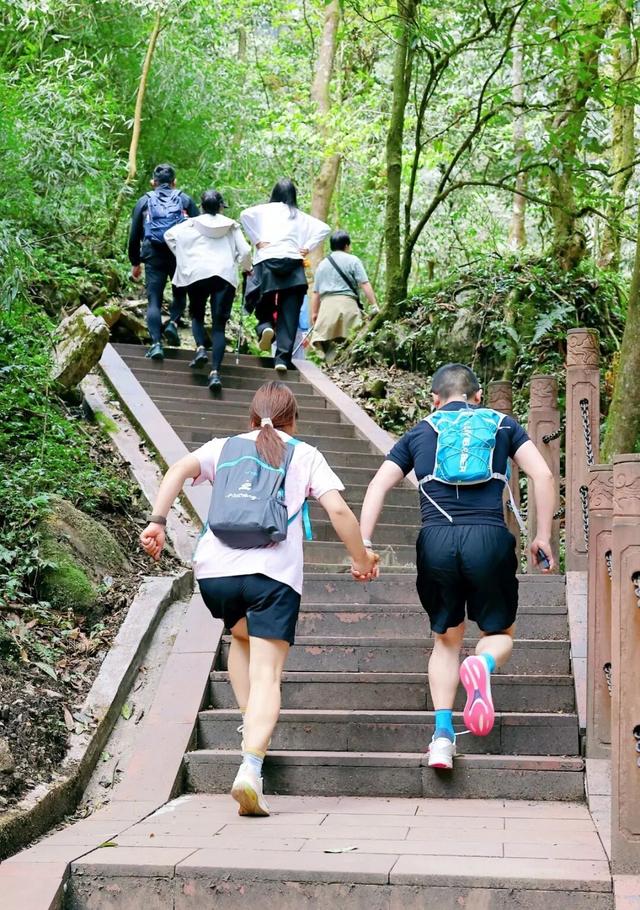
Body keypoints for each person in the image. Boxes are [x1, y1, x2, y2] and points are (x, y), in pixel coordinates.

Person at [139, 381, 379, 816]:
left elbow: (176, 470)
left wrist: (158, 521)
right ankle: (251, 765)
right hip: (272, 578)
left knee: (240, 639)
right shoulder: (303, 453)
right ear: (293, 419)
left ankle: (250, 728)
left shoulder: (223, 447)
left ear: (253, 416)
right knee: (268, 674)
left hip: (216, 574)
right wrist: (361, 558)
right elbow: (339, 510)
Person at [359, 363, 556, 771]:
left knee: (446, 641)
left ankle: (443, 739)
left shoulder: (421, 430)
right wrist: (542, 536)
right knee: (498, 634)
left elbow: (378, 485)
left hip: (436, 542)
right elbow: (542, 473)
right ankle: (481, 665)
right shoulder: (503, 424)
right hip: (488, 537)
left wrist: (364, 544)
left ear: (435, 398)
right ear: (477, 396)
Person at [165, 189, 252, 392]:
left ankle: (201, 348)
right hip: (224, 277)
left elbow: (169, 236)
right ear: (221, 206)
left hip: (197, 274)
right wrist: (246, 266)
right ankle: (215, 373)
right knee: (219, 326)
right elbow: (246, 251)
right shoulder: (231, 226)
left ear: (201, 206)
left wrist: (183, 255)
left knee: (196, 315)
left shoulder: (190, 223)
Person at [241, 179, 330, 375]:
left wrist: (257, 241)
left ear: (274, 194)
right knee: (288, 314)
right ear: (293, 196)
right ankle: (282, 358)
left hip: (267, 262)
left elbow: (244, 214)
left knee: (264, 304)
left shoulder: (264, 210)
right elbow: (324, 228)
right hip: (293, 264)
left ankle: (265, 326)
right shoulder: (297, 214)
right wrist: (306, 248)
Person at [128, 163, 199, 361]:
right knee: (179, 292)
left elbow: (134, 235)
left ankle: (156, 344)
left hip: (153, 254)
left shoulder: (144, 201)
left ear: (153, 182)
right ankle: (173, 324)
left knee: (154, 301)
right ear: (174, 182)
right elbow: (200, 229)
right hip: (178, 253)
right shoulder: (184, 200)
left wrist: (135, 262)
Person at [310, 230, 378, 361]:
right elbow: (364, 284)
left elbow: (315, 292)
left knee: (329, 344)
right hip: (348, 308)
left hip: (326, 309)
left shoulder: (322, 264)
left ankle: (330, 369)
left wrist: (314, 313)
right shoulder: (353, 260)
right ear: (347, 245)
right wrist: (374, 304)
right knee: (351, 341)